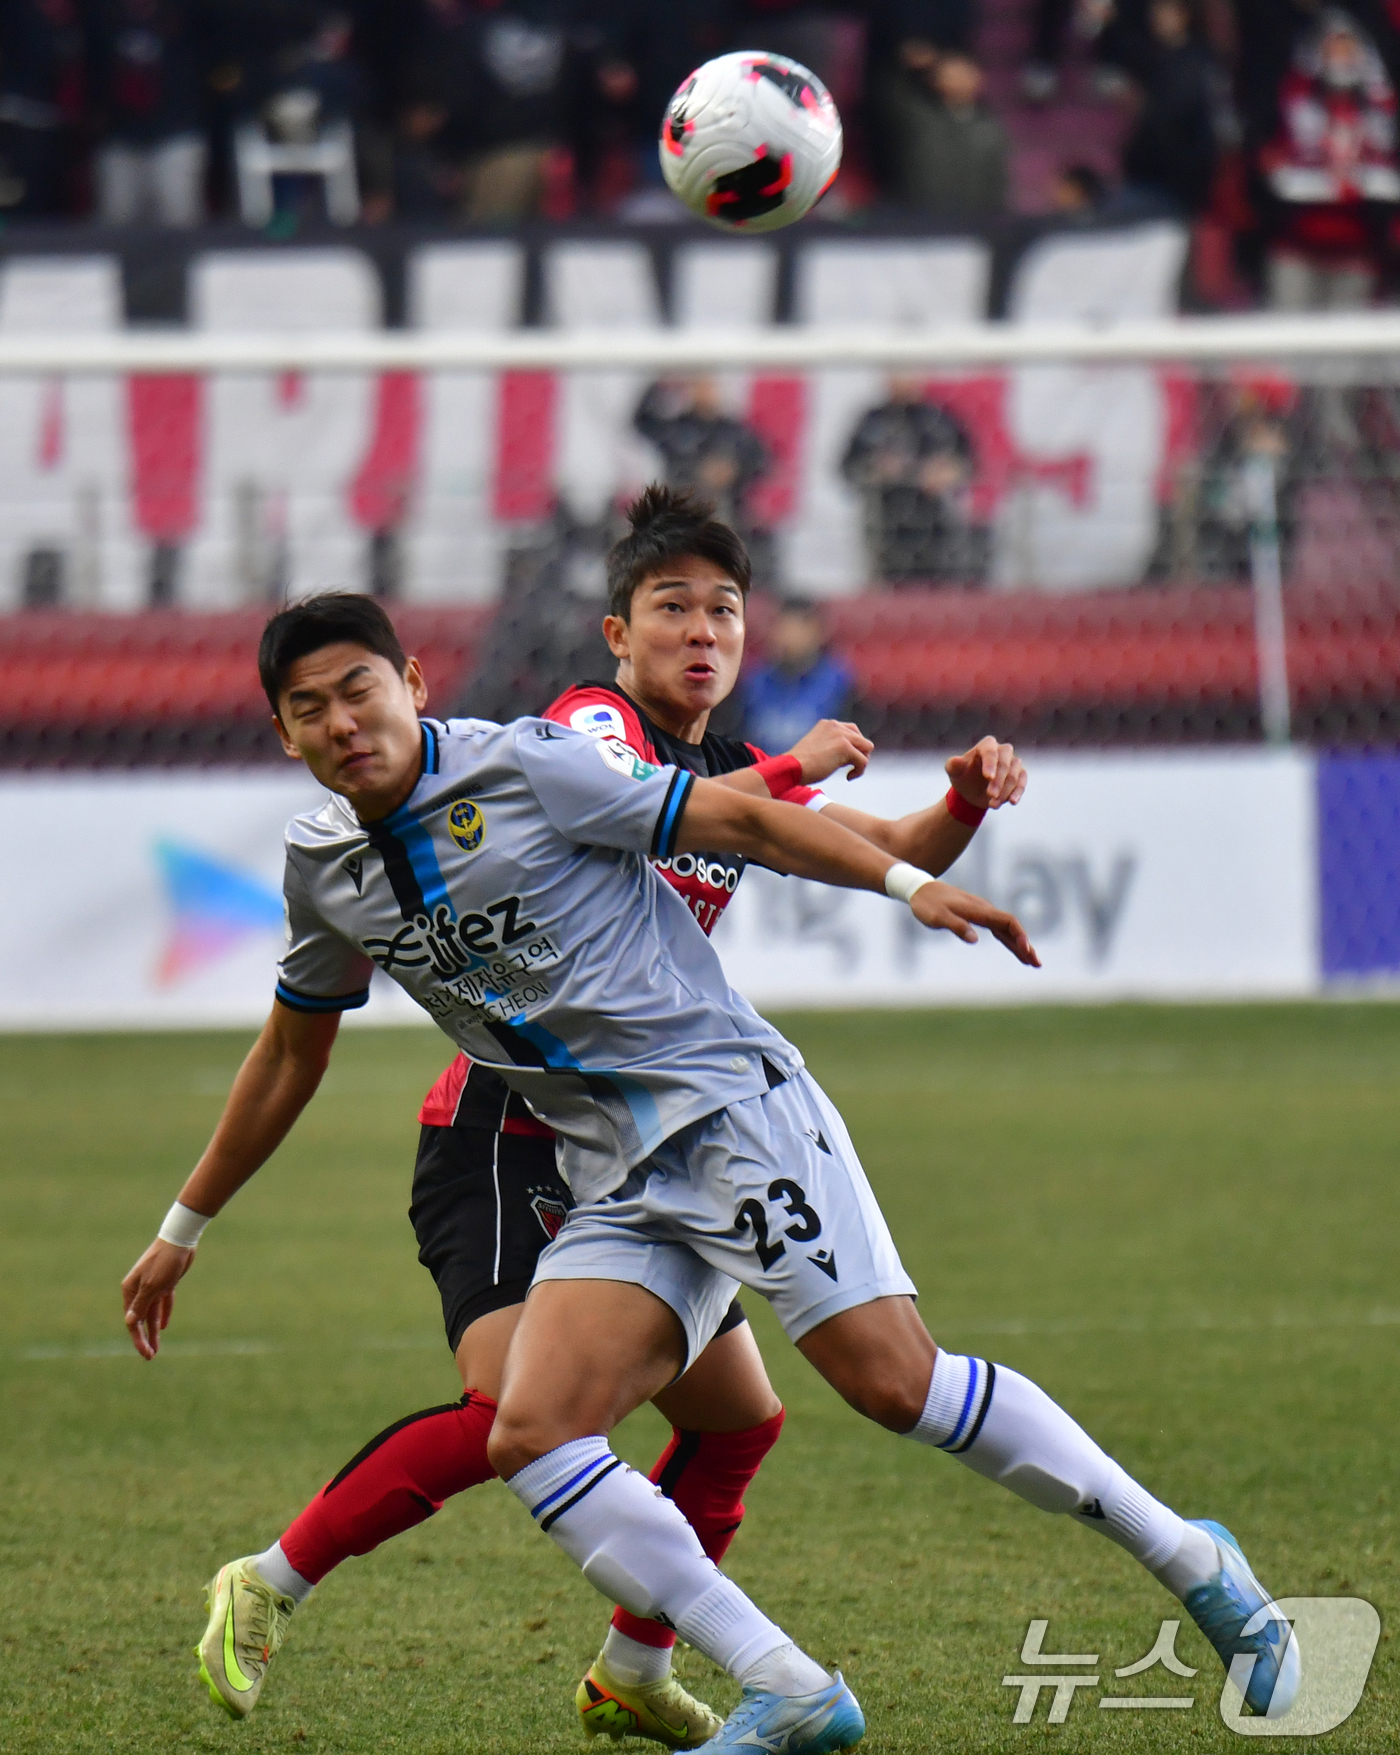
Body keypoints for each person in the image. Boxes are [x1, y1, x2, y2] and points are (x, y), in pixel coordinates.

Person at [122, 495, 1298, 1750]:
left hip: (729, 1114)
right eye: (312, 708)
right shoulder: (366, 844)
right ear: (283, 732)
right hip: (596, 1156)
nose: (344, 723)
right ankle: (786, 1690)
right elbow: (292, 1047)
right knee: (528, 1428)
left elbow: (743, 817)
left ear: (411, 681)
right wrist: (183, 1226)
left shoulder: (523, 762)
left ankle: (1191, 1560)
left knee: (893, 1386)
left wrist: (913, 875)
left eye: (361, 689)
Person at [1259, 8, 1400, 310]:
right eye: (1333, 48)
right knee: (1288, 339)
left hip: (1356, 251)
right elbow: (1272, 166)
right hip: (1297, 249)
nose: (1340, 57)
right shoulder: (1292, 103)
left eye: (1347, 48)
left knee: (1345, 348)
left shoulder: (1380, 109)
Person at [841, 378, 986, 585]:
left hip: (936, 526)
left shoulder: (940, 417)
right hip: (885, 526)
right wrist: (876, 470)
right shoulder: (872, 420)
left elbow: (970, 463)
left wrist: (947, 472)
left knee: (938, 589)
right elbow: (847, 468)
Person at [88, 0, 207, 227]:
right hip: (120, 137)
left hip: (176, 132)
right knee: (116, 217)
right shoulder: (103, 16)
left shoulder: (186, 14)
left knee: (178, 214)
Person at [876, 48, 1009, 219]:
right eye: (951, 73)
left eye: (964, 72)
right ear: (936, 79)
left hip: (972, 223)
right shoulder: (917, 118)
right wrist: (917, 66)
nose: (959, 80)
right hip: (919, 219)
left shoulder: (990, 127)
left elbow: (997, 183)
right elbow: (886, 90)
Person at [742, 599, 854, 759]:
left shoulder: (840, 684)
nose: (790, 637)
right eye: (784, 628)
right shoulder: (754, 682)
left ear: (818, 632)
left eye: (799, 628)